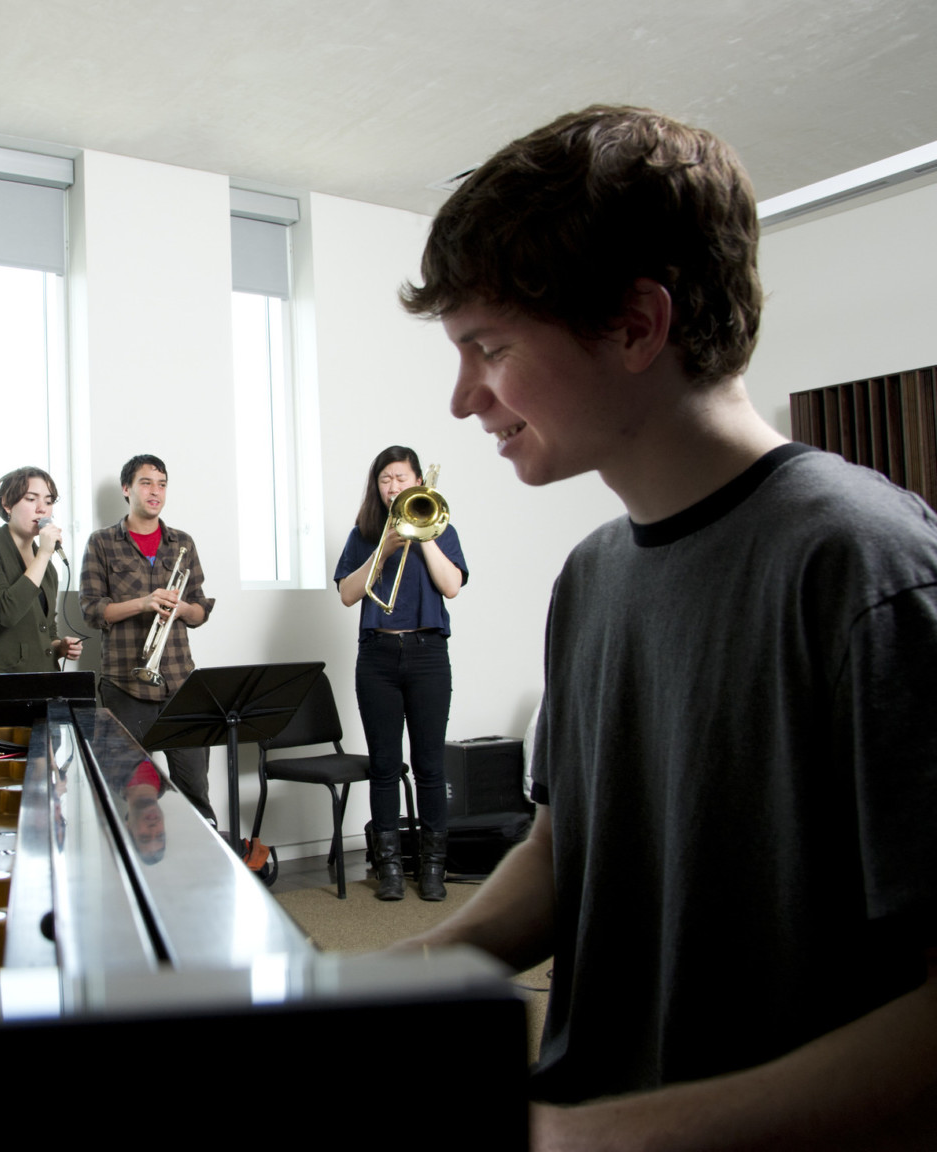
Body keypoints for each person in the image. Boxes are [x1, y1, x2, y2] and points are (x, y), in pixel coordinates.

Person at [394, 105, 936, 1150]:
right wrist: (394, 977)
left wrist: (586, 1140)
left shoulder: (864, 567)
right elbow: (566, 852)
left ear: (639, 324)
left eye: (489, 347)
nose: (464, 398)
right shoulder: (592, 578)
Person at [335, 446, 466, 900]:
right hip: (377, 658)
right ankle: (388, 868)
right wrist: (384, 549)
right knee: (385, 766)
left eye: (401, 478)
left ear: (418, 483)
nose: (393, 486)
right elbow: (348, 595)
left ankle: (432, 868)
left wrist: (422, 532)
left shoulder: (440, 527)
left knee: (430, 765)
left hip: (428, 653)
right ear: (377, 485)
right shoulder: (364, 534)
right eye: (385, 479)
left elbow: (451, 585)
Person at [80, 454, 217, 822]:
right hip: (126, 686)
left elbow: (201, 610)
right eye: (146, 483)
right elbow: (92, 611)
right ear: (127, 489)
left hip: (179, 685)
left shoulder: (182, 543)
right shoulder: (102, 543)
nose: (155, 491)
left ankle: (201, 871)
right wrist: (144, 602)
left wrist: (181, 609)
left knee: (195, 791)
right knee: (127, 792)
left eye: (162, 484)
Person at [0, 466, 83, 674]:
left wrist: (59, 646)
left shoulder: (46, 565)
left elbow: (47, 629)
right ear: (7, 504)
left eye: (48, 501)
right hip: (0, 684)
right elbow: (5, 613)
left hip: (44, 682)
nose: (42, 509)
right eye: (31, 499)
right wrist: (44, 554)